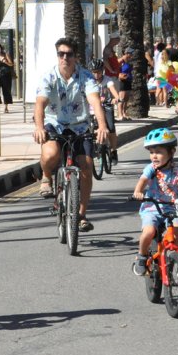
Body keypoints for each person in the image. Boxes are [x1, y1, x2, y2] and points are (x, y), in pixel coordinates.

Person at [33, 37, 109, 232]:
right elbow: (40, 104)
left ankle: (82, 215)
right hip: (54, 124)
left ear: (76, 56)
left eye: (69, 54)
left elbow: (94, 102)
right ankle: (46, 177)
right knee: (51, 154)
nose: (65, 58)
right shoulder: (48, 77)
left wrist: (102, 126)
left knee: (87, 166)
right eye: (61, 54)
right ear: (57, 55)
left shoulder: (86, 77)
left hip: (79, 126)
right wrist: (39, 127)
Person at [131, 128, 178, 278]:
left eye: (158, 152)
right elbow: (143, 181)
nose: (154, 156)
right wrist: (138, 192)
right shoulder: (151, 169)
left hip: (172, 207)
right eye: (151, 152)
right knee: (148, 231)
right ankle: (141, 256)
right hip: (152, 206)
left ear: (171, 152)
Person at [90, 59, 120, 164]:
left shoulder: (107, 80)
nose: (96, 74)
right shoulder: (88, 81)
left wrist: (115, 98)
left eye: (98, 72)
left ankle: (113, 151)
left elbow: (113, 90)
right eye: (94, 72)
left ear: (102, 71)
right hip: (92, 108)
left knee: (111, 128)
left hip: (106, 106)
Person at [117, 48, 134, 120]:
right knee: (121, 99)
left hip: (128, 80)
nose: (131, 55)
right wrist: (119, 74)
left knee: (126, 99)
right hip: (122, 81)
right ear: (126, 53)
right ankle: (120, 114)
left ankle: (124, 113)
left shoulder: (129, 61)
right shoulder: (121, 60)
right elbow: (115, 67)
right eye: (130, 53)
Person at [0, 45, 15, 113]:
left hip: (6, 75)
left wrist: (5, 61)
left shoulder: (5, 54)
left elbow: (11, 64)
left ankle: (6, 107)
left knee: (6, 91)